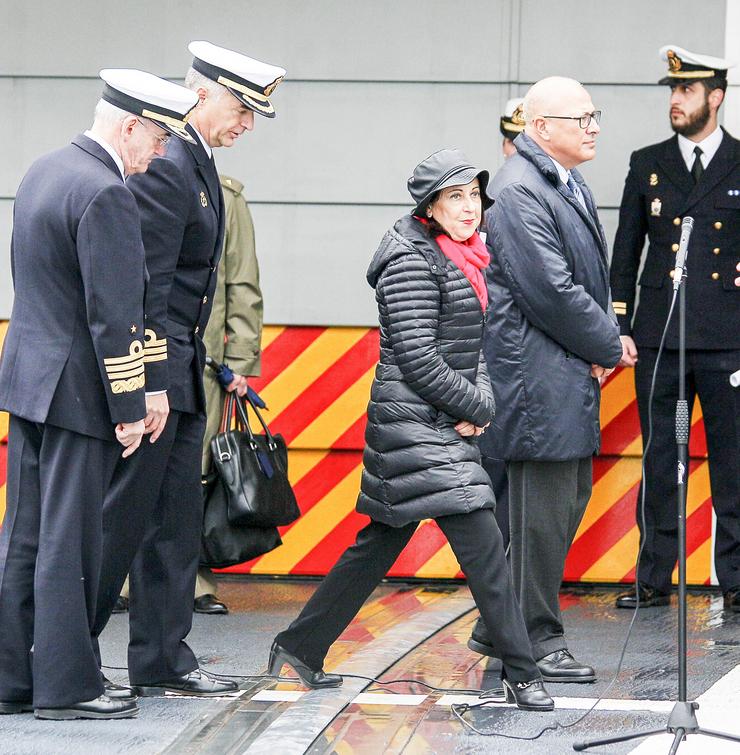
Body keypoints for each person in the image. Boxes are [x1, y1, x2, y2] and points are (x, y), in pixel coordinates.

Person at [269, 149, 554, 712]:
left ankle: (298, 645)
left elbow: (467, 349)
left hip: (436, 422)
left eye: (475, 195)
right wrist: (477, 406)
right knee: (485, 549)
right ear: (430, 206)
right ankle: (523, 673)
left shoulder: (465, 255)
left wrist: (482, 402)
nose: (470, 207)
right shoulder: (410, 261)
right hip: (414, 427)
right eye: (456, 197)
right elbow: (420, 359)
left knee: (377, 544)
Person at [0, 69, 197, 720]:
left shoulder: (44, 170)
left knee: (22, 536)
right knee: (68, 539)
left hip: (31, 381)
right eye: (159, 136)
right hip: (79, 394)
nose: (161, 151)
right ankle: (67, 684)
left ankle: (10, 677)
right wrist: (130, 407)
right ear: (130, 125)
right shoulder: (106, 192)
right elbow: (113, 317)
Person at [92, 42, 285, 697]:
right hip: (157, 373)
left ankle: (162, 657)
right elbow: (148, 282)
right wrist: (147, 382)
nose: (248, 124)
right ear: (201, 94)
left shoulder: (196, 162)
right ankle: (66, 655)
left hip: (182, 371)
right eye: (241, 107)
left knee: (172, 525)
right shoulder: (172, 162)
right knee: (124, 523)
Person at [467, 78, 623, 683]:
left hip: (555, 371)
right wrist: (608, 342)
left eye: (593, 116)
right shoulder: (518, 190)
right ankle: (531, 642)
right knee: (540, 516)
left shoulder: (556, 178)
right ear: (539, 127)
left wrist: (599, 341)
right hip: (534, 378)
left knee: (560, 503)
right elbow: (551, 290)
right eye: (580, 117)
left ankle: (498, 626)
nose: (593, 126)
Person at [610, 46, 740, 613]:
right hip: (660, 333)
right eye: (672, 91)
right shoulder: (648, 161)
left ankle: (736, 580)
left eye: (685, 91)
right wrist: (618, 322)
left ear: (715, 96)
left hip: (729, 335)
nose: (675, 100)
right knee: (661, 459)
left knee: (734, 461)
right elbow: (626, 249)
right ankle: (653, 578)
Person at [195, 173, 263, 615]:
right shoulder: (125, 177)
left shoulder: (225, 195)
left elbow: (241, 283)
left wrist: (239, 360)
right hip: (131, 359)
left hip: (201, 368)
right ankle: (121, 578)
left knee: (197, 472)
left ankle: (193, 578)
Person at [476, 95, 525, 551]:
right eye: (509, 140)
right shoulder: (481, 206)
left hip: (521, 362)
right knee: (490, 475)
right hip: (485, 361)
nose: (512, 151)